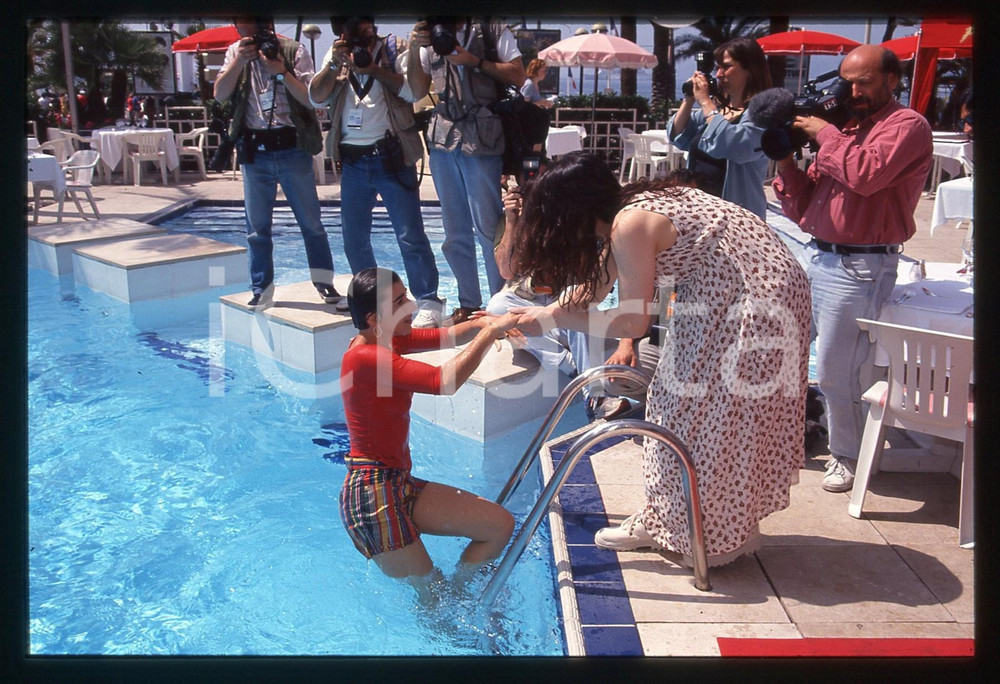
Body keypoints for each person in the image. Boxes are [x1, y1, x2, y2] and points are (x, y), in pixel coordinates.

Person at [508, 152, 811, 566]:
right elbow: (593, 290)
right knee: (688, 410)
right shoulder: (633, 207)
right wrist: (542, 316)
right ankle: (677, 521)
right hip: (759, 290)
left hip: (753, 303)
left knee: (705, 416)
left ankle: (709, 541)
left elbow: (632, 322)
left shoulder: (628, 224)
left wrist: (557, 317)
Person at [772, 44, 933, 493]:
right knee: (797, 357)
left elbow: (865, 175)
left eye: (864, 81)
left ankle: (848, 454)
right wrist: (786, 160)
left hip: (860, 265)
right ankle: (809, 436)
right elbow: (804, 210)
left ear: (892, 81)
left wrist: (824, 133)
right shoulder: (848, 129)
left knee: (838, 368)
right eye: (848, 81)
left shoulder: (906, 126)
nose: (854, 91)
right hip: (819, 253)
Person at [339, 267, 517, 586]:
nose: (411, 306)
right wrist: (490, 334)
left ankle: (463, 594)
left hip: (396, 484)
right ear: (373, 319)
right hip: (371, 497)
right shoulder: (364, 357)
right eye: (398, 302)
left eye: (405, 295)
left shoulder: (389, 339)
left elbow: (450, 335)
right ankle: (452, 620)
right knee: (432, 602)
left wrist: (491, 321)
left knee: (498, 525)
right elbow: (442, 381)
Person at [309, 16, 445, 328]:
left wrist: (374, 70)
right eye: (353, 34)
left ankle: (427, 299)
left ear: (373, 30)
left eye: (366, 32)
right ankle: (372, 300)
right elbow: (315, 97)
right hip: (354, 160)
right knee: (354, 238)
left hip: (391, 155)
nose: (362, 41)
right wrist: (333, 65)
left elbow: (413, 92)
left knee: (409, 234)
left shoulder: (392, 52)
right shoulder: (337, 58)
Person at [214, 17, 343, 310]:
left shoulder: (293, 51)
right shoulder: (235, 52)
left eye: (252, 22)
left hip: (291, 148)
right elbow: (220, 94)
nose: (245, 28)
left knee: (311, 224)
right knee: (257, 228)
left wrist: (281, 72)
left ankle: (324, 283)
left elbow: (311, 99)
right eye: (240, 22)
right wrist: (238, 63)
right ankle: (261, 288)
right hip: (254, 150)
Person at [406, 17, 526, 324]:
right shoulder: (430, 35)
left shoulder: (491, 28)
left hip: (483, 137)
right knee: (454, 230)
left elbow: (517, 73)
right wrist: (413, 46)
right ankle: (469, 302)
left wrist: (474, 61)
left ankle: (499, 303)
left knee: (488, 227)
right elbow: (417, 90)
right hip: (444, 139)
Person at [667, 36, 773, 218]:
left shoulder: (760, 115)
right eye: (718, 68)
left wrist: (706, 102)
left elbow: (733, 145)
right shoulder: (718, 112)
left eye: (726, 67)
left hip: (736, 217)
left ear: (749, 70)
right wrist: (689, 99)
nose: (718, 74)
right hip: (701, 212)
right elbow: (677, 134)